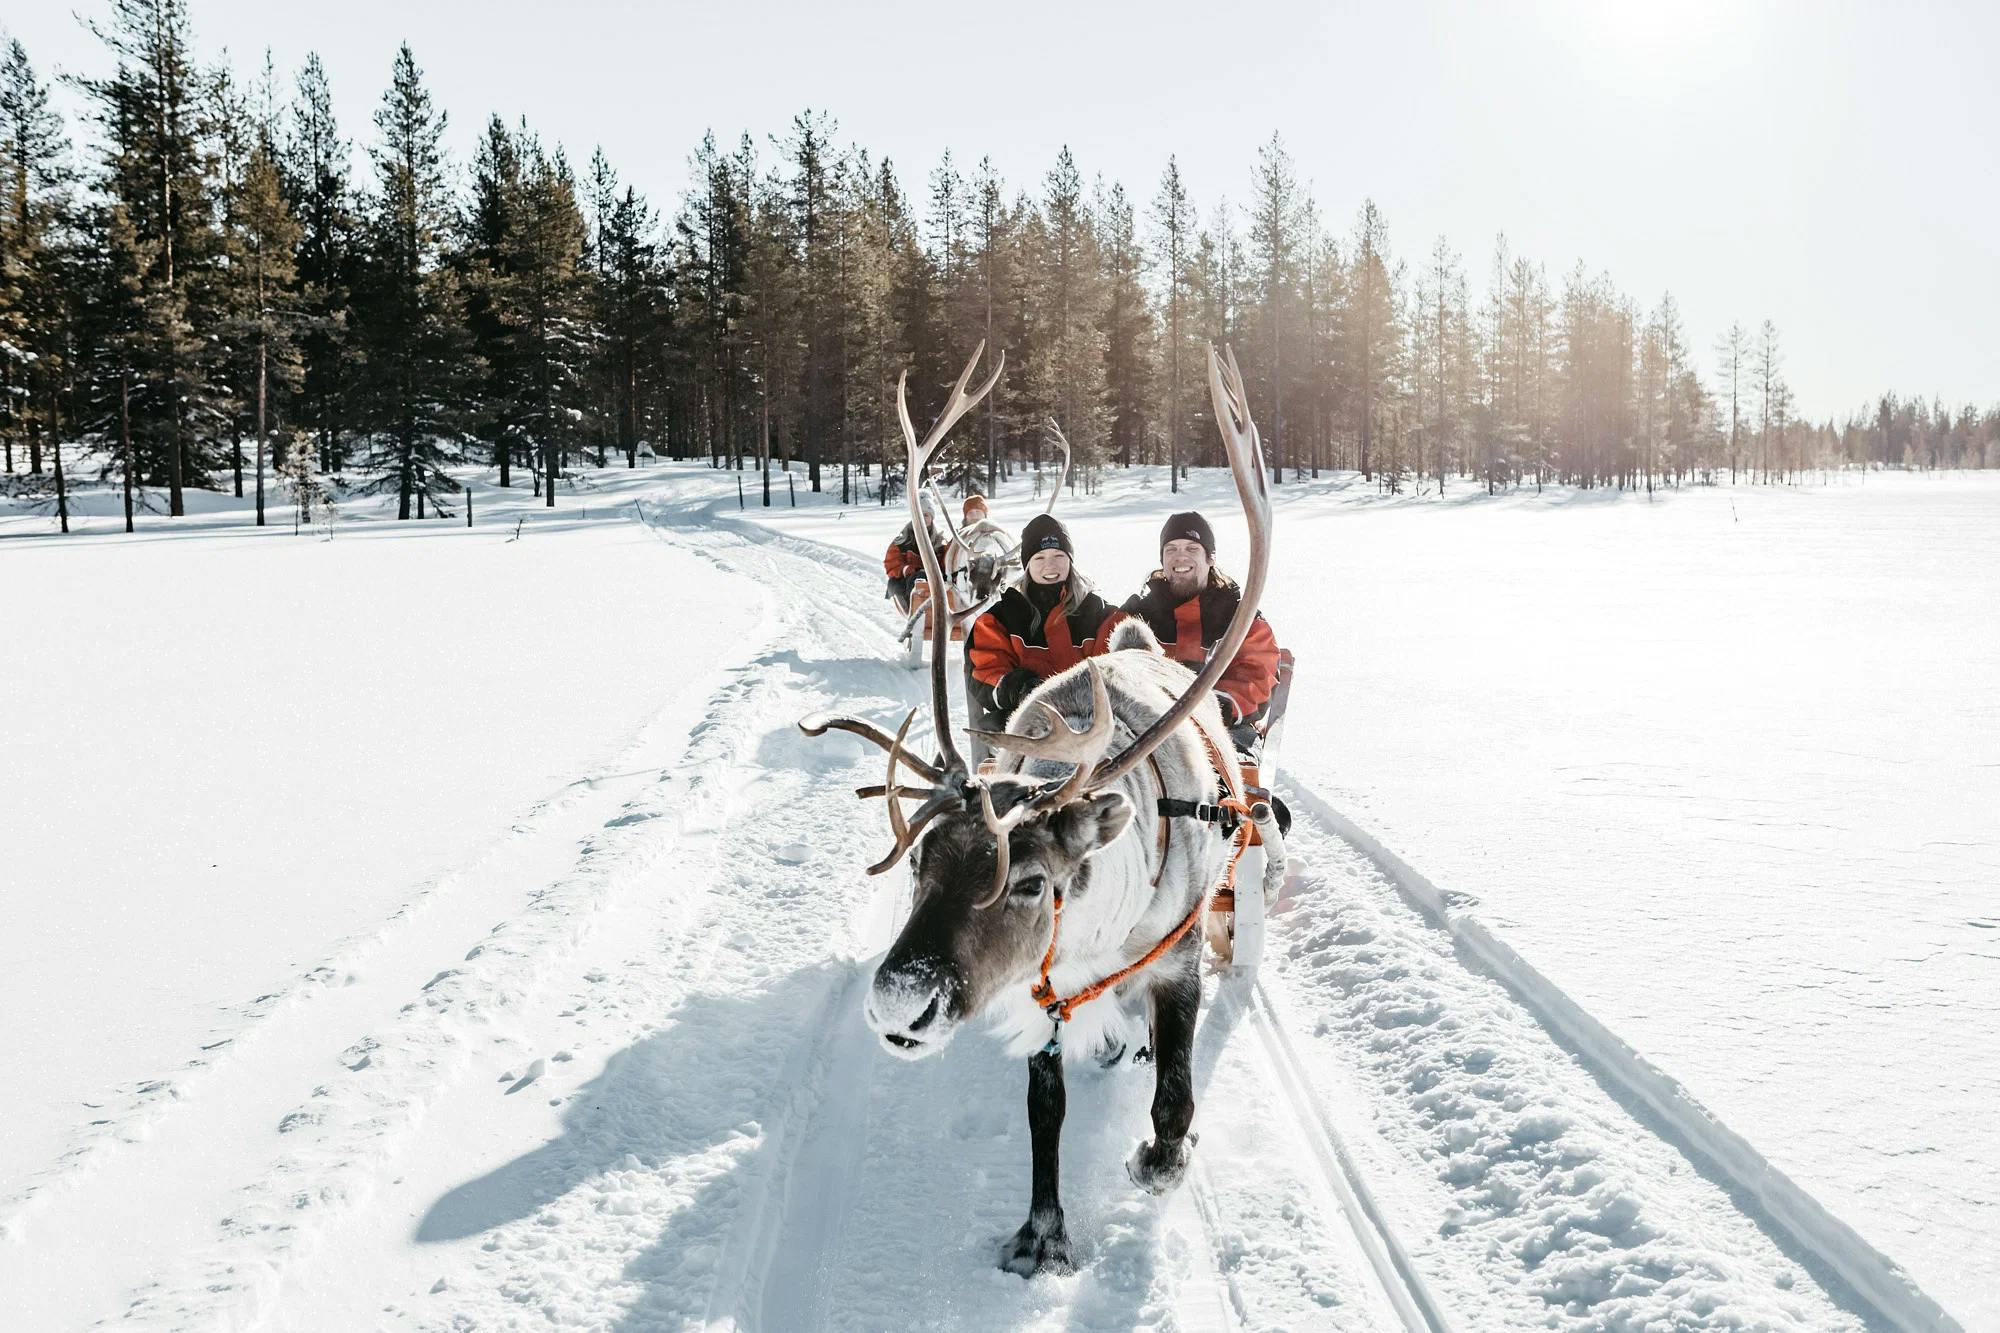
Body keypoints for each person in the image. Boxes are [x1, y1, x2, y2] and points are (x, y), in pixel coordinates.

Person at [1121, 510, 1282, 754]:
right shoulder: (1139, 613)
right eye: (1171, 549)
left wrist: (1212, 706)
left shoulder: (1241, 617)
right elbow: (1113, 666)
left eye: (1192, 548)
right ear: (1162, 560)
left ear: (1210, 558)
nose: (1180, 557)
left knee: (1225, 766)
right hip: (1148, 726)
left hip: (1223, 729)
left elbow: (1257, 678)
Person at [966, 513, 1128, 729]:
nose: (1050, 566)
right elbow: (986, 671)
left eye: (1059, 556)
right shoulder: (1001, 619)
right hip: (1031, 726)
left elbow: (1121, 667)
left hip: (1092, 726)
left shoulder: (1098, 614)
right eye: (1039, 558)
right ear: (1027, 565)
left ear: (1070, 560)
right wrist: (1015, 688)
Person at [883, 495, 945, 614]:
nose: (922, 518)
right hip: (908, 582)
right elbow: (891, 563)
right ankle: (917, 615)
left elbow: (947, 561)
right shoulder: (902, 540)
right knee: (919, 578)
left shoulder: (941, 540)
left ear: (932, 517)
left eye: (926, 515)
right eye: (919, 515)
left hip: (936, 580)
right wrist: (906, 569)